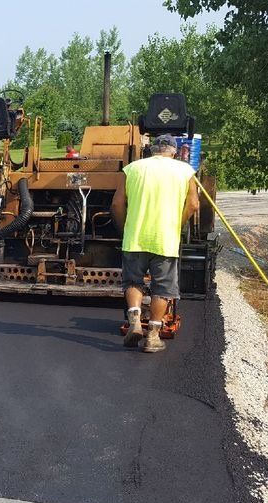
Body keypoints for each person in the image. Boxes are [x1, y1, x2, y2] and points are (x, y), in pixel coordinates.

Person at [112, 133, 200, 353]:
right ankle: (152, 336)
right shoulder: (185, 171)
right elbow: (193, 205)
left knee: (133, 281)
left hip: (135, 238)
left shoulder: (132, 169)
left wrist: (125, 229)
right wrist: (177, 226)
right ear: (173, 151)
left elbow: (116, 204)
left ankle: (134, 321)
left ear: (151, 150)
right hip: (165, 239)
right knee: (163, 288)